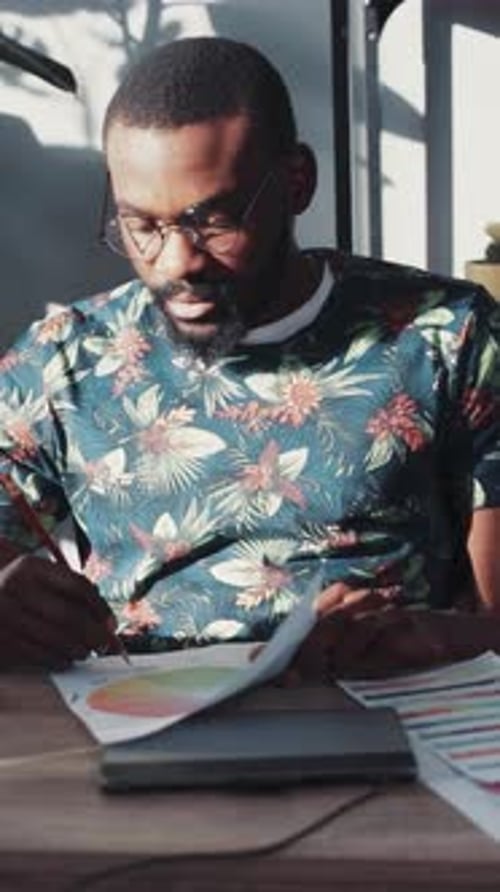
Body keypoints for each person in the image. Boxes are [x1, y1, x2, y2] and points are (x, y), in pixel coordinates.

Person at [0, 36, 499, 676]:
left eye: (212, 222)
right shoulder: (65, 359)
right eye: (142, 226)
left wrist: (437, 638)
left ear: (297, 183)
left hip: (382, 704)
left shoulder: (446, 335)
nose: (176, 262)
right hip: (141, 708)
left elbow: (492, 624)